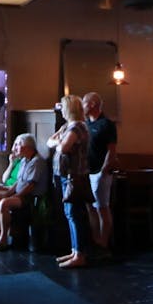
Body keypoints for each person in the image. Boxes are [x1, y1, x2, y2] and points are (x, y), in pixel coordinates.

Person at [48, 95, 92, 270]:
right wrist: (59, 142)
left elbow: (64, 147)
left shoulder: (77, 127)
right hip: (66, 176)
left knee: (75, 214)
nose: (61, 112)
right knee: (70, 214)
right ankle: (75, 251)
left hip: (74, 176)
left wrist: (59, 143)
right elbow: (50, 141)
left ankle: (80, 254)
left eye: (63, 109)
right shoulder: (67, 126)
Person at [0, 134, 48, 251]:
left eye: (18, 145)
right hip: (20, 194)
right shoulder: (24, 160)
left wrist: (13, 196)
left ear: (27, 147)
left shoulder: (37, 161)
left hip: (30, 198)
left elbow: (30, 186)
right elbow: (19, 182)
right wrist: (8, 192)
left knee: (4, 203)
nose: (15, 148)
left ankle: (3, 239)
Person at [82, 91, 118, 251]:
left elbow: (111, 150)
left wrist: (104, 170)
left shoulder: (106, 124)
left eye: (84, 103)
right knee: (90, 207)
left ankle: (104, 244)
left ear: (92, 104)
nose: (82, 106)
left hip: (100, 172)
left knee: (102, 207)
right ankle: (95, 240)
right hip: (87, 171)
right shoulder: (86, 124)